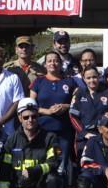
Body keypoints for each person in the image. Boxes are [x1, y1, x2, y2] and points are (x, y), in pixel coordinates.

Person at [0, 98, 63, 188]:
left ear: (38, 116)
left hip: (43, 184)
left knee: (53, 179)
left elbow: (54, 162)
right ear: (19, 118)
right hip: (23, 187)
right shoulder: (12, 140)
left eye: (34, 116)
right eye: (26, 117)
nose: (30, 120)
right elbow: (4, 170)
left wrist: (35, 170)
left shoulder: (50, 138)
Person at [30, 51, 78, 179]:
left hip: (64, 130)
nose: (53, 63)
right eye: (49, 61)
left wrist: (65, 106)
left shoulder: (70, 81)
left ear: (61, 64)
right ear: (45, 64)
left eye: (56, 60)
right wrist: (48, 111)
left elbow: (78, 102)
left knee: (60, 167)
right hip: (43, 130)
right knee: (43, 164)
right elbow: (31, 106)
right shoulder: (38, 82)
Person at [69, 66, 108, 155]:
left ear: (99, 76)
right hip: (84, 137)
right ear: (84, 79)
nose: (92, 80)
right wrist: (84, 133)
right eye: (88, 78)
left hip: (105, 136)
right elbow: (73, 116)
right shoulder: (79, 93)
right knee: (85, 162)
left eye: (94, 77)